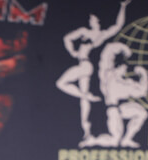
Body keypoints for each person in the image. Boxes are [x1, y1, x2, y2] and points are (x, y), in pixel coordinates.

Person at [56, 0, 131, 145]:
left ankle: (86, 96)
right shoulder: (88, 32)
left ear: (97, 20)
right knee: (83, 102)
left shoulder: (93, 33)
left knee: (61, 83)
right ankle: (87, 132)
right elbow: (67, 38)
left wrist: (123, 7)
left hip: (85, 65)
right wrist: (72, 51)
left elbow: (117, 26)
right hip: (85, 65)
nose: (91, 21)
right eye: (90, 19)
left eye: (93, 19)